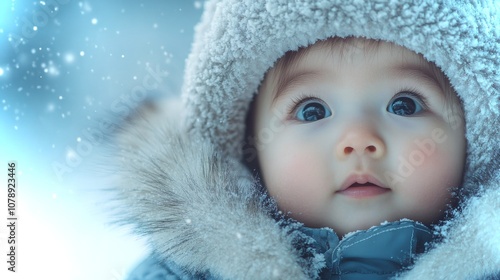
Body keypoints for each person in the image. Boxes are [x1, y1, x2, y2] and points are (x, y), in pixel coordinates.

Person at [109, 0, 499, 279]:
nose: (359, 140)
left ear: (474, 134)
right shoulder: (188, 271)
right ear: (249, 148)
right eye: (312, 110)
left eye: (404, 105)